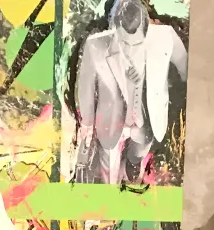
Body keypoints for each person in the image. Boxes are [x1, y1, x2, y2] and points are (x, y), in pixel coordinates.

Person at [72, 0, 187, 184]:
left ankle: (132, 163)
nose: (130, 50)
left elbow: (186, 71)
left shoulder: (166, 37)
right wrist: (86, 125)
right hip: (110, 122)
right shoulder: (95, 46)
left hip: (145, 124)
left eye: (137, 44)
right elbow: (85, 88)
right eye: (125, 43)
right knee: (109, 176)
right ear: (114, 29)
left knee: (137, 156)